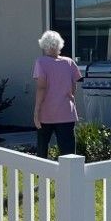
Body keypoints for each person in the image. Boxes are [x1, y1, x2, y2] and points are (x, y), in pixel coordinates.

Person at [32, 29, 82, 159]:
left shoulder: (41, 62)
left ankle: (41, 175)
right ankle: (70, 176)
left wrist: (36, 111)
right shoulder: (69, 62)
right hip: (66, 111)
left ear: (44, 45)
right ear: (60, 44)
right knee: (68, 150)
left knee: (43, 147)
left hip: (46, 112)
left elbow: (41, 87)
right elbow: (73, 87)